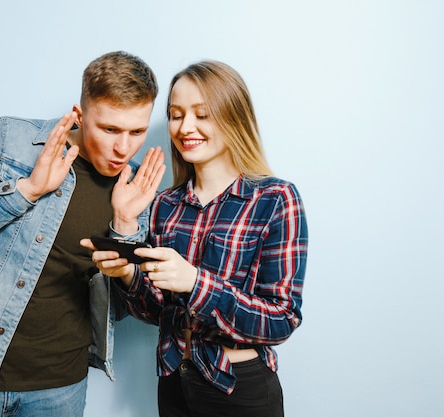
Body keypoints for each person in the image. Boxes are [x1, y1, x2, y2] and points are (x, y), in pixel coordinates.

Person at [0, 50, 166, 417]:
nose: (123, 148)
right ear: (78, 115)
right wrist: (25, 192)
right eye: (109, 129)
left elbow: (124, 311)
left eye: (137, 131)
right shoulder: (12, 141)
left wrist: (125, 227)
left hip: (59, 390)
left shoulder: (139, 187)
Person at [81, 60, 308, 417]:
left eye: (202, 115)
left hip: (238, 386)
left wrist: (195, 283)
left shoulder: (275, 199)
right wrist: (127, 275)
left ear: (233, 117)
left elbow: (281, 320)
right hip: (174, 381)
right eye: (176, 115)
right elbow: (157, 311)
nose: (186, 127)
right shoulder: (164, 205)